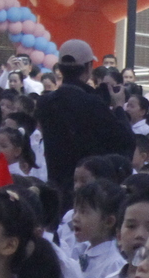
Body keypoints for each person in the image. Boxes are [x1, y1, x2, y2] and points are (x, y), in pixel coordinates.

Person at [33, 40, 135, 192]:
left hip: (57, 184)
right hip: (89, 188)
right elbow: (125, 141)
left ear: (60, 68)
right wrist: (119, 107)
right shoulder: (92, 103)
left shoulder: (44, 102)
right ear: (88, 67)